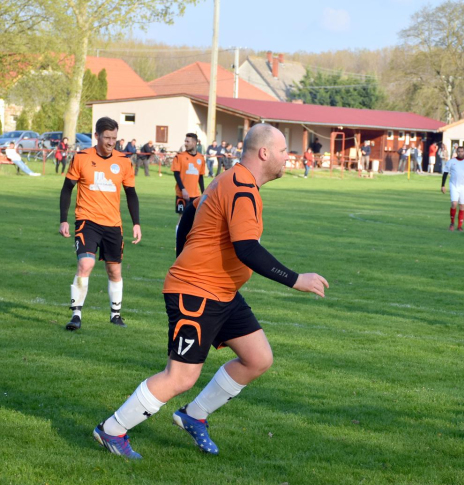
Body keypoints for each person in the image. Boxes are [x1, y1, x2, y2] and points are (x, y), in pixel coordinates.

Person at [92, 123, 329, 459]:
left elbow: (190, 212)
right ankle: (111, 430)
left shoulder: (231, 177)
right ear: (264, 153)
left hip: (222, 291)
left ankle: (193, 415)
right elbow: (247, 248)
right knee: (180, 376)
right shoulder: (241, 187)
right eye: (282, 151)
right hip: (197, 293)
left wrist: (186, 257)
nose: (286, 158)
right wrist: (295, 279)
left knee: (257, 358)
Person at [58, 117, 141, 330]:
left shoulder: (124, 161)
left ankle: (115, 315)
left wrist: (136, 223)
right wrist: (63, 220)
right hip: (87, 220)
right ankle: (76, 314)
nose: (111, 142)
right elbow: (67, 188)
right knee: (86, 264)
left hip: (113, 225)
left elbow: (131, 194)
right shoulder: (82, 158)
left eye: (114, 138)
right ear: (96, 136)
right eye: (107, 137)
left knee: (114, 271)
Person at [172, 133, 206, 233]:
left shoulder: (200, 158)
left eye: (188, 141)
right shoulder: (180, 156)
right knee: (182, 218)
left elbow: (200, 177)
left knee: (194, 219)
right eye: (185, 141)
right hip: (182, 194)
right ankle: (178, 242)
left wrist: (204, 192)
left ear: (194, 143)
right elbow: (176, 174)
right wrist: (183, 189)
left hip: (195, 195)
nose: (185, 143)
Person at [441, 146, 464, 232]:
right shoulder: (451, 162)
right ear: (457, 152)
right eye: (459, 151)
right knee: (454, 203)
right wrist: (443, 185)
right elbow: (445, 173)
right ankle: (452, 223)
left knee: (462, 205)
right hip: (454, 185)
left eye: (462, 151)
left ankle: (460, 226)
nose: (460, 153)